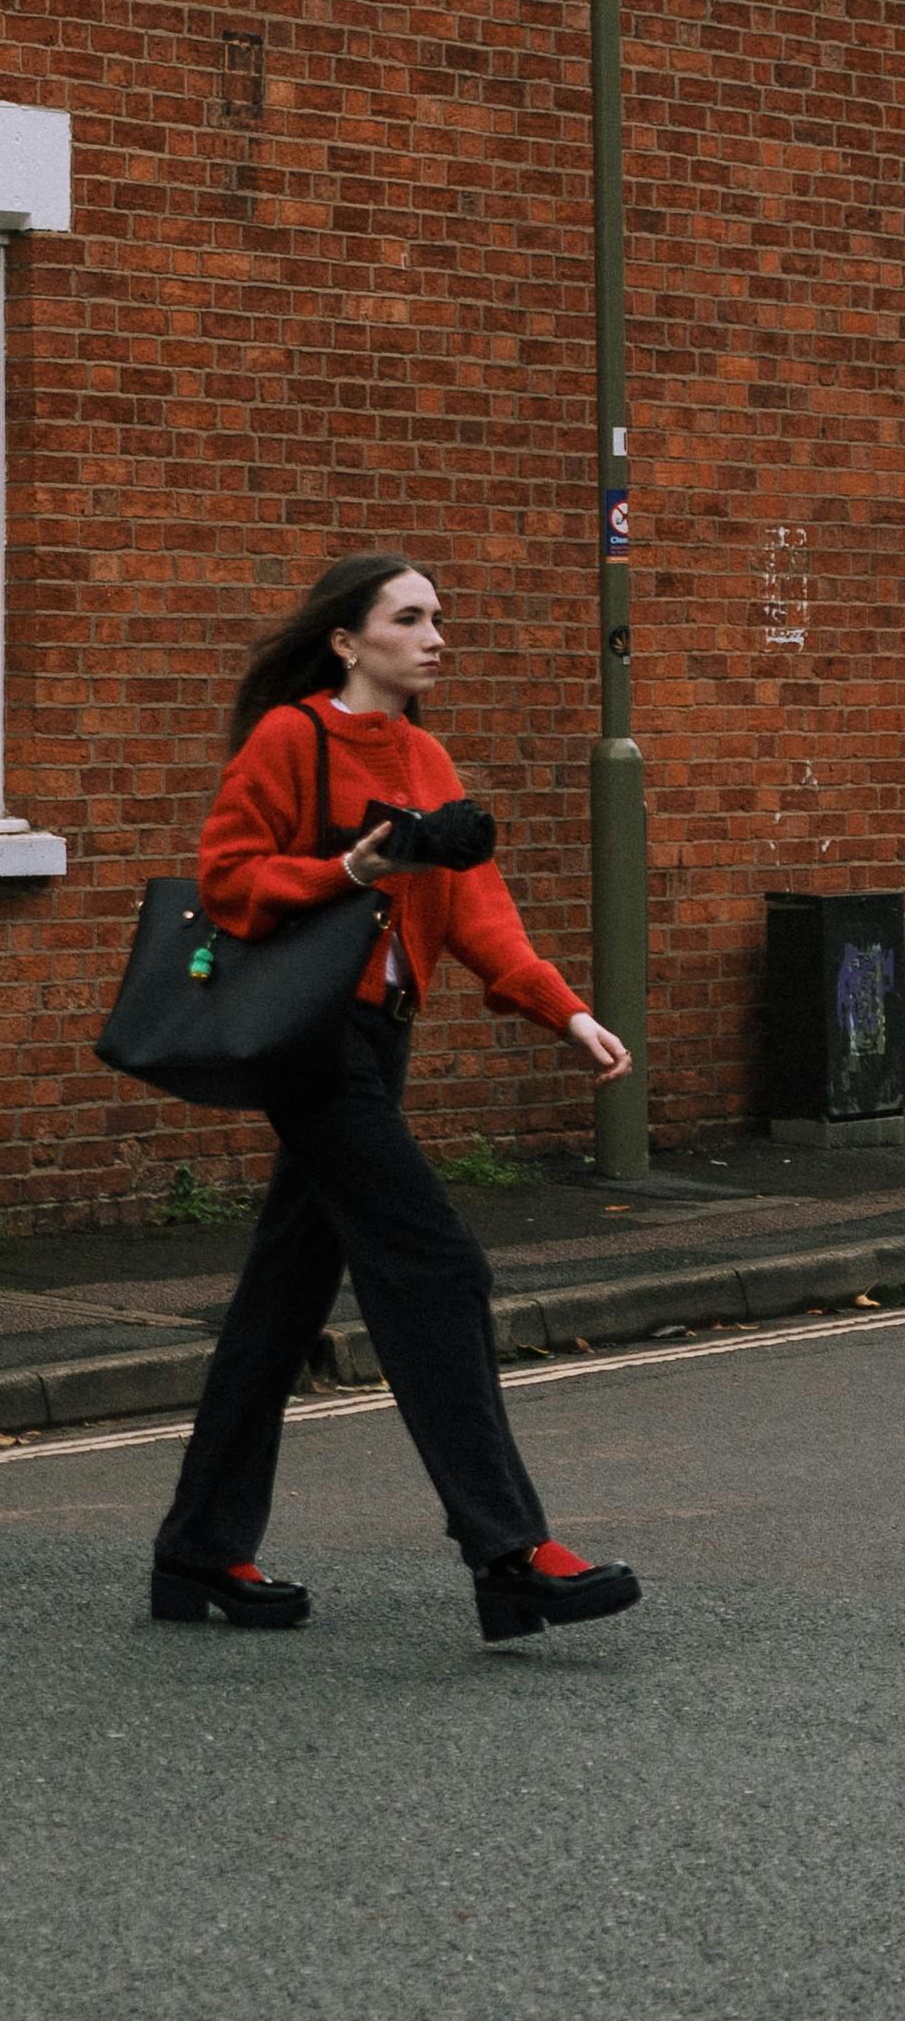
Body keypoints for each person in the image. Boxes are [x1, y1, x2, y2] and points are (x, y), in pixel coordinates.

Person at [149, 550, 643, 1651]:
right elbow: (227, 880)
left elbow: (475, 912)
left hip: (378, 1036)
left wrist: (562, 1012)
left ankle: (196, 1546)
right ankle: (507, 1553)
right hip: (307, 1042)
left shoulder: (423, 755)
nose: (433, 637)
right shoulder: (292, 738)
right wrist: (348, 872)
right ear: (344, 638)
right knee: (436, 1265)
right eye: (407, 618)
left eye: (437, 618)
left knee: (282, 1300)